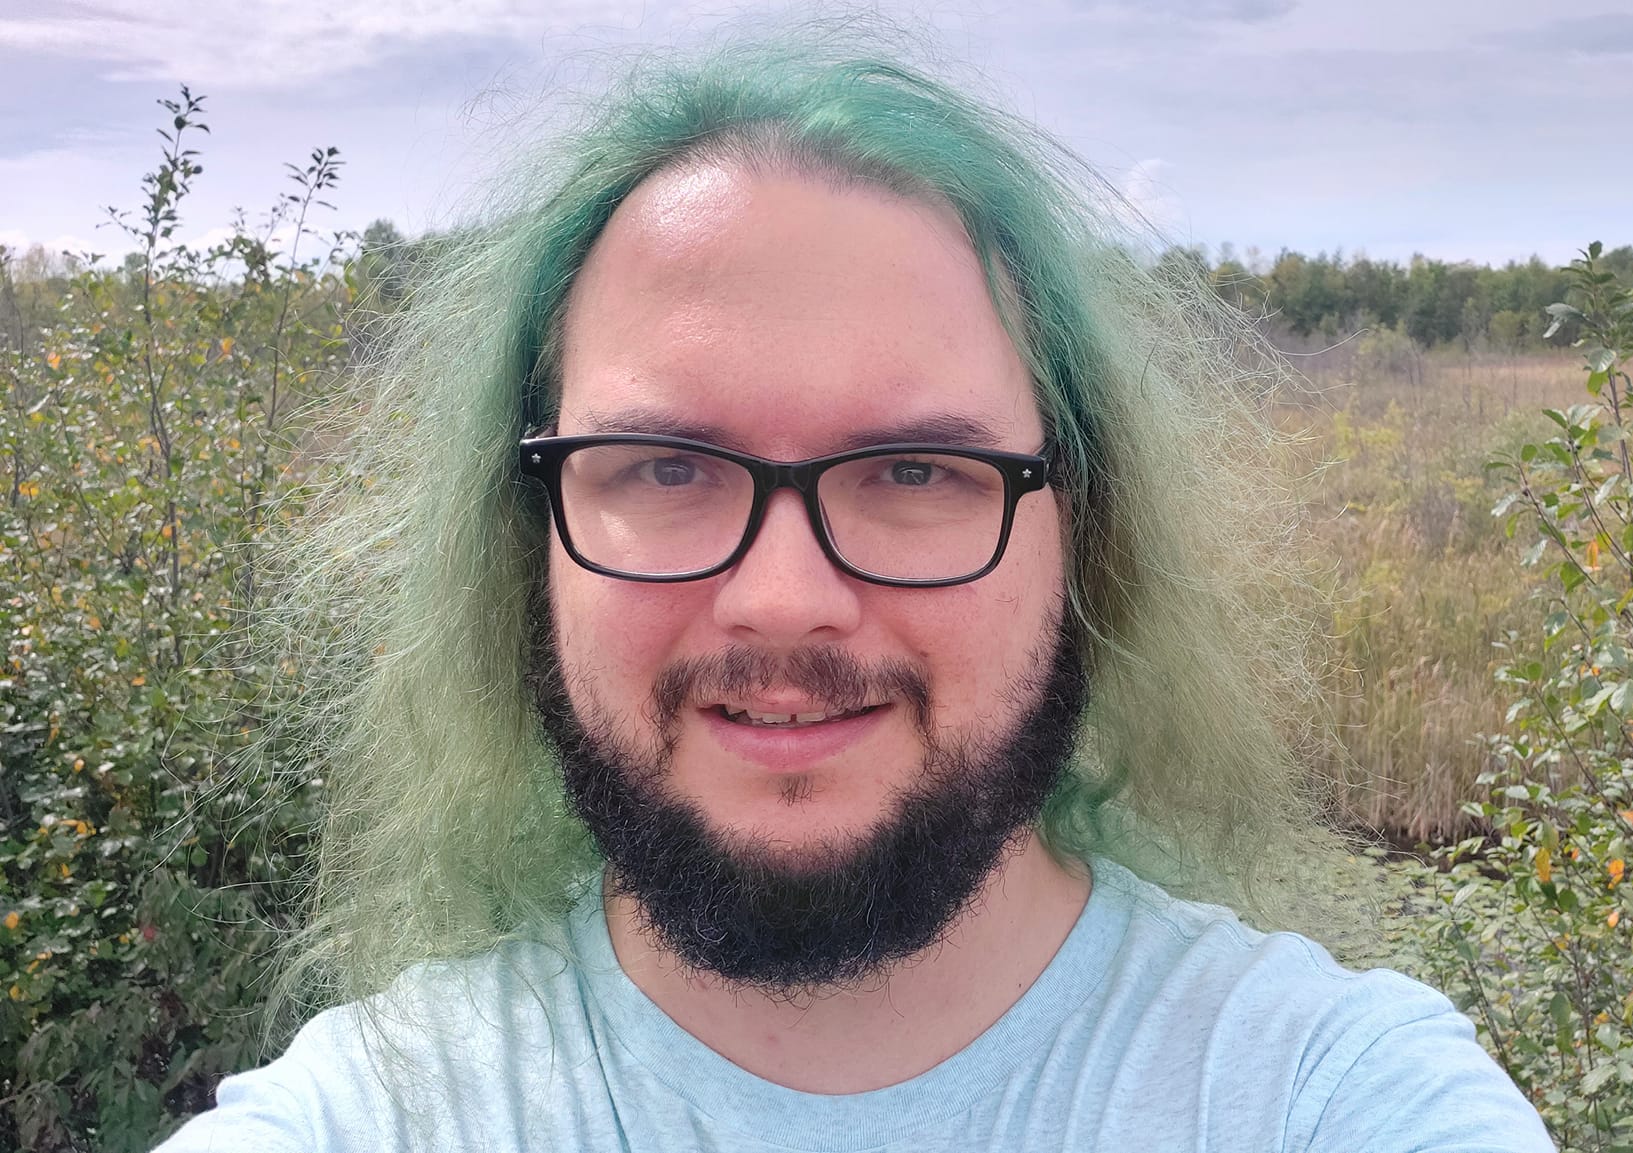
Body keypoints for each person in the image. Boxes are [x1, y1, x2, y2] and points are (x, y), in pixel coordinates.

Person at [156, 26, 1553, 1153]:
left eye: (916, 470)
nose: (780, 599)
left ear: (1086, 535)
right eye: (660, 466)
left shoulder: (1326, 1095)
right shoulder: (371, 1115)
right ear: (525, 541)